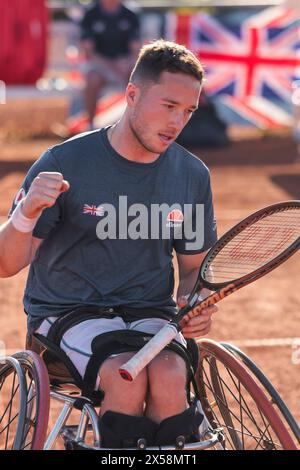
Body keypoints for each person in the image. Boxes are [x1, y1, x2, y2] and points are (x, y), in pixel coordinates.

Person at [0, 40, 218, 448]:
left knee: (171, 377)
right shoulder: (64, 162)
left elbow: (193, 269)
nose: (178, 122)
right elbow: (6, 264)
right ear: (131, 95)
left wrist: (193, 301)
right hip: (67, 314)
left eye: (188, 111)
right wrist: (25, 214)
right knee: (125, 376)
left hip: (149, 314)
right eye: (168, 106)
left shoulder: (191, 175)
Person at [80, 0, 141, 129]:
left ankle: (135, 124)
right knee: (92, 80)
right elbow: (88, 51)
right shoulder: (91, 13)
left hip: (124, 65)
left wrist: (127, 61)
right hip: (100, 65)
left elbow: (135, 48)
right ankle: (91, 125)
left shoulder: (130, 14)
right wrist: (110, 65)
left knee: (138, 81)